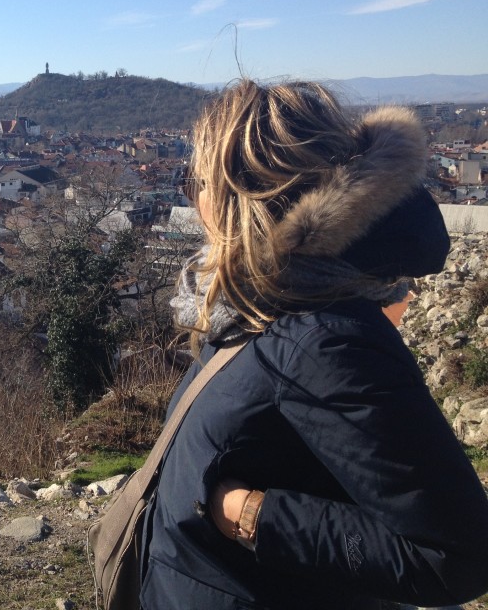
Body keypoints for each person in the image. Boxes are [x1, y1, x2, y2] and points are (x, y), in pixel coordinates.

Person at [145, 79, 488, 610]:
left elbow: (457, 556)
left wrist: (249, 515)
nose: (191, 195)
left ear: (246, 196)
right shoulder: (263, 305)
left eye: (195, 179)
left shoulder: (322, 339)